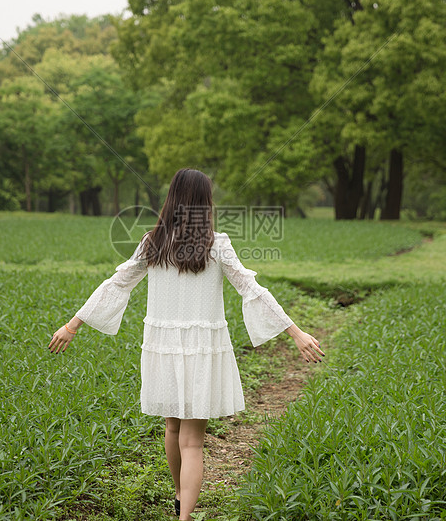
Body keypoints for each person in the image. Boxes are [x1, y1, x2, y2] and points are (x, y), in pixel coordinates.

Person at [48, 168, 325, 520]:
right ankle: (184, 514)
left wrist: (72, 325)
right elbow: (252, 289)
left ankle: (181, 496)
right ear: (205, 203)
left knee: (172, 427)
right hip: (203, 348)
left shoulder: (153, 242)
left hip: (162, 345)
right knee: (192, 440)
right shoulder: (217, 244)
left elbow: (117, 284)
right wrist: (296, 332)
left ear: (172, 199)